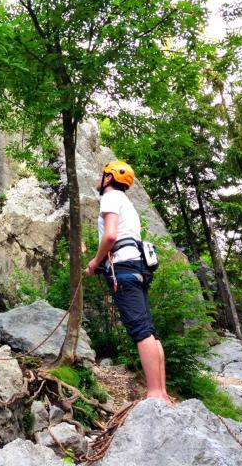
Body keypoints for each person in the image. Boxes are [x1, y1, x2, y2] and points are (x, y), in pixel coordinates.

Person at [85, 160, 172, 405]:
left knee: (140, 330)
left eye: (102, 175)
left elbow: (111, 235)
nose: (99, 179)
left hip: (123, 268)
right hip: (138, 267)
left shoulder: (110, 197)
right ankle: (162, 392)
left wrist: (95, 261)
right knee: (149, 330)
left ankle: (155, 393)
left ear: (110, 178)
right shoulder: (127, 204)